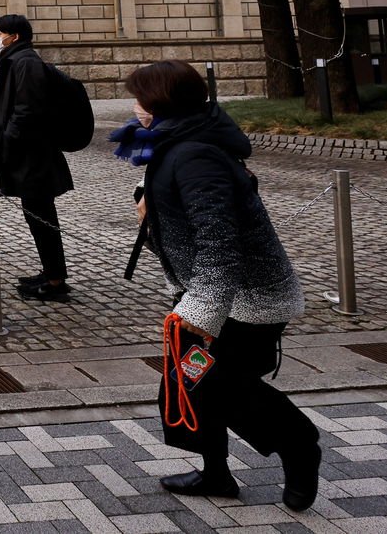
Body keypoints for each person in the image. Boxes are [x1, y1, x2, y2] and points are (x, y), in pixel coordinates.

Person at [114, 60, 321, 510]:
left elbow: (219, 241)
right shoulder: (177, 141)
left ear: (161, 102)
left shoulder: (194, 154)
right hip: (209, 291)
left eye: (140, 97)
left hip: (243, 298)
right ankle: (216, 474)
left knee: (224, 387)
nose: (134, 105)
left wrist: (199, 311)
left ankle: (300, 445)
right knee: (191, 382)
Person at [0, 14, 74, 301]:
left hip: (33, 156)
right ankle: (51, 273)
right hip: (29, 154)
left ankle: (56, 281)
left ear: (15, 37)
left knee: (42, 216)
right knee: (38, 216)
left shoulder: (25, 62)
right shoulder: (18, 60)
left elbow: (26, 110)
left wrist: (7, 143)